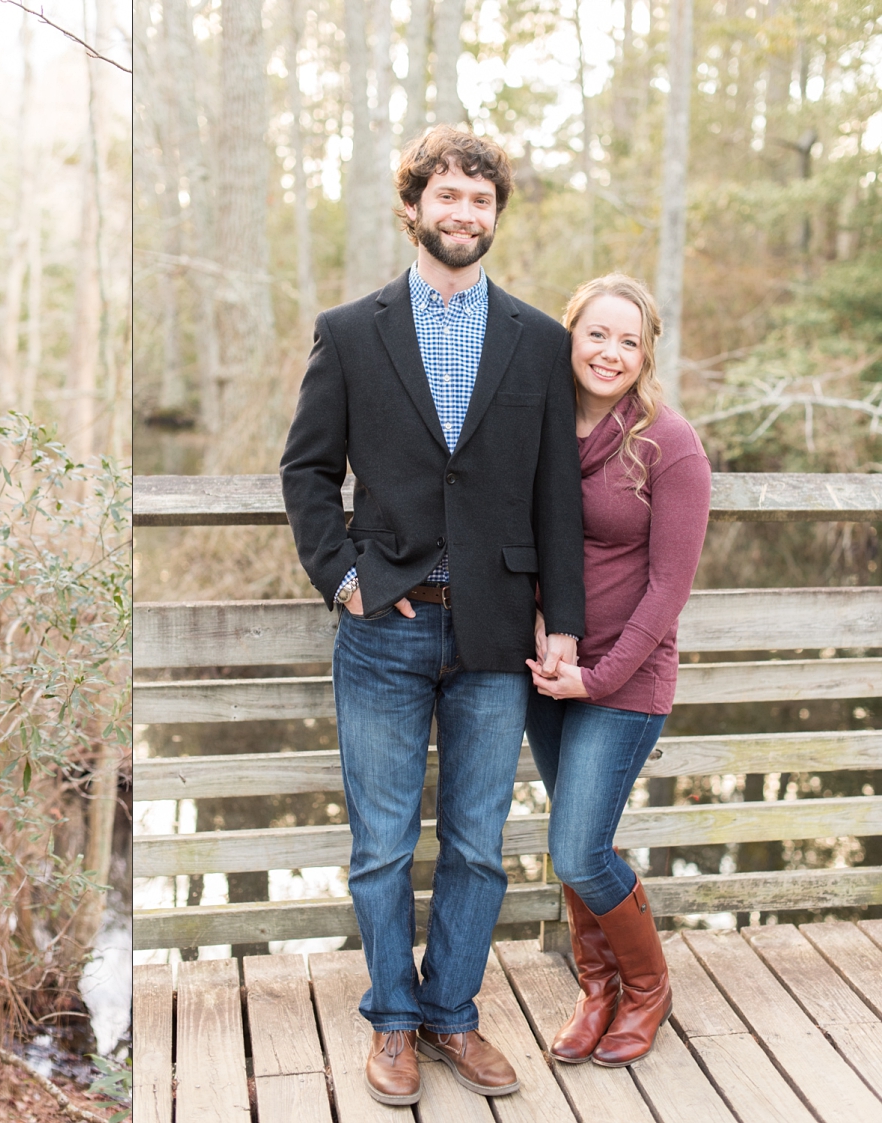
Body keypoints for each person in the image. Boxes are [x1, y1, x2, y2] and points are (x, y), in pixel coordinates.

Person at [280, 125, 585, 1106]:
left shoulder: (539, 341)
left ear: (495, 216)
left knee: (477, 845)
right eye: (445, 197)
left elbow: (557, 498)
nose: (463, 214)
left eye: (480, 200)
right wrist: (344, 578)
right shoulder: (350, 331)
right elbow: (307, 471)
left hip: (496, 630)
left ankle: (453, 1012)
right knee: (378, 845)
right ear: (412, 208)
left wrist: (564, 622)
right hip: (384, 628)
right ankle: (393, 1022)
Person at [524, 274, 711, 1067]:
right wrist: (541, 629)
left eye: (628, 341)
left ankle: (646, 988)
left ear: (646, 353)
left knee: (577, 850)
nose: (610, 352)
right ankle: (595, 987)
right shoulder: (539, 426)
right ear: (570, 337)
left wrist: (597, 679)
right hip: (547, 668)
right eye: (596, 334)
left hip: (622, 683)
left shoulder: (669, 443)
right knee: (578, 835)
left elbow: (669, 588)